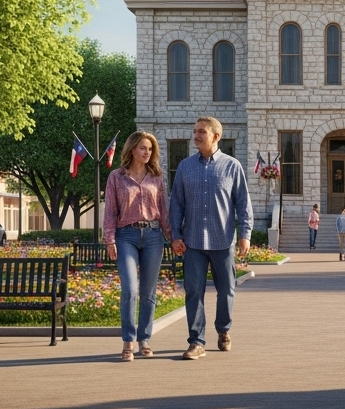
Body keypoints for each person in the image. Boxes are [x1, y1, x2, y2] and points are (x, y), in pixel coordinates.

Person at [169, 117, 253, 360]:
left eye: (201, 132)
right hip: (192, 241)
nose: (195, 135)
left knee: (226, 289)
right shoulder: (185, 167)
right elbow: (176, 205)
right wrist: (175, 235)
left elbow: (243, 204)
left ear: (215, 136)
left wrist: (245, 234)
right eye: (194, 131)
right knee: (193, 292)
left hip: (222, 240)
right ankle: (196, 341)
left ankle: (223, 330)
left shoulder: (232, 166)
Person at [104, 131, 170, 362]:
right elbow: (111, 211)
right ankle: (128, 341)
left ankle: (145, 339)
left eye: (150, 149)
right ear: (132, 149)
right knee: (131, 289)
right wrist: (109, 239)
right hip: (126, 236)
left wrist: (174, 237)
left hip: (153, 235)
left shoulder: (157, 177)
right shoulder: (116, 177)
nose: (147, 152)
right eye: (143, 148)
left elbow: (163, 211)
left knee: (148, 292)